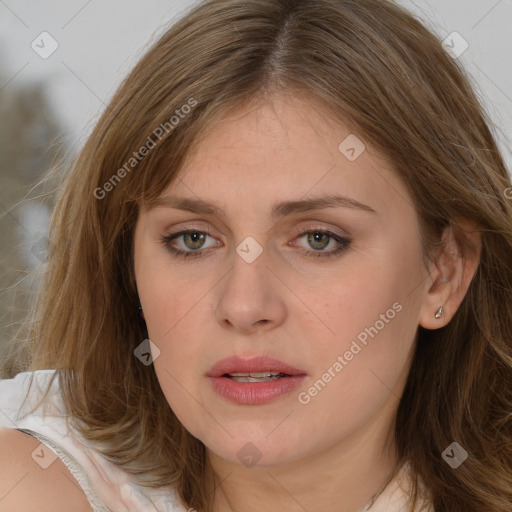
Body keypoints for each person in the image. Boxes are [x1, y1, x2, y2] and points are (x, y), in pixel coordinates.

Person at [1, 0, 511, 511]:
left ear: (445, 272)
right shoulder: (32, 483)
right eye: (193, 239)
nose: (244, 306)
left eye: (318, 239)